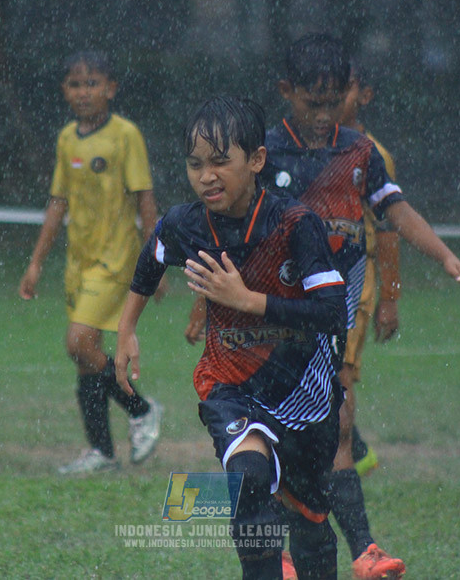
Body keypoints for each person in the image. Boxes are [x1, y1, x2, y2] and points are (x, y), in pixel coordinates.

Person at [261, 32, 460, 580]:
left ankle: (364, 551)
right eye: (313, 102)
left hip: (332, 316)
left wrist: (445, 256)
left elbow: (395, 214)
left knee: (336, 424)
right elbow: (234, 229)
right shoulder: (266, 152)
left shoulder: (359, 151)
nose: (323, 114)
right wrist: (206, 303)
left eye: (332, 102)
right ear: (287, 91)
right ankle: (281, 555)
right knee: (278, 432)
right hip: (278, 313)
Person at [116, 96, 348, 579]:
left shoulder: (294, 223)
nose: (206, 176)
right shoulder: (187, 224)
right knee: (248, 483)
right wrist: (127, 329)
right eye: (195, 164)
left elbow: (331, 314)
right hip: (230, 383)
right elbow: (153, 254)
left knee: (309, 523)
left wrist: (247, 300)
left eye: (221, 162)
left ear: (257, 160)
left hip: (305, 391)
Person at [18, 50, 163, 475]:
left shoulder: (125, 135)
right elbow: (58, 202)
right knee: (88, 357)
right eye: (75, 84)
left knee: (78, 342)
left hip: (117, 260)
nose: (84, 92)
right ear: (65, 91)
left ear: (111, 89)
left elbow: (145, 198)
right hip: (78, 264)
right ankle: (101, 451)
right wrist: (35, 263)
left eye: (93, 83)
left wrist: (155, 259)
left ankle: (140, 409)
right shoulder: (67, 139)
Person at [338, 60, 403, 478]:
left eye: (343, 89)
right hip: (309, 279)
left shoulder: (375, 155)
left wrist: (390, 299)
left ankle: (344, 459)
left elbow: (390, 230)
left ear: (364, 95)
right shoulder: (302, 148)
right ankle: (355, 452)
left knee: (338, 371)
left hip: (355, 276)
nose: (330, 100)